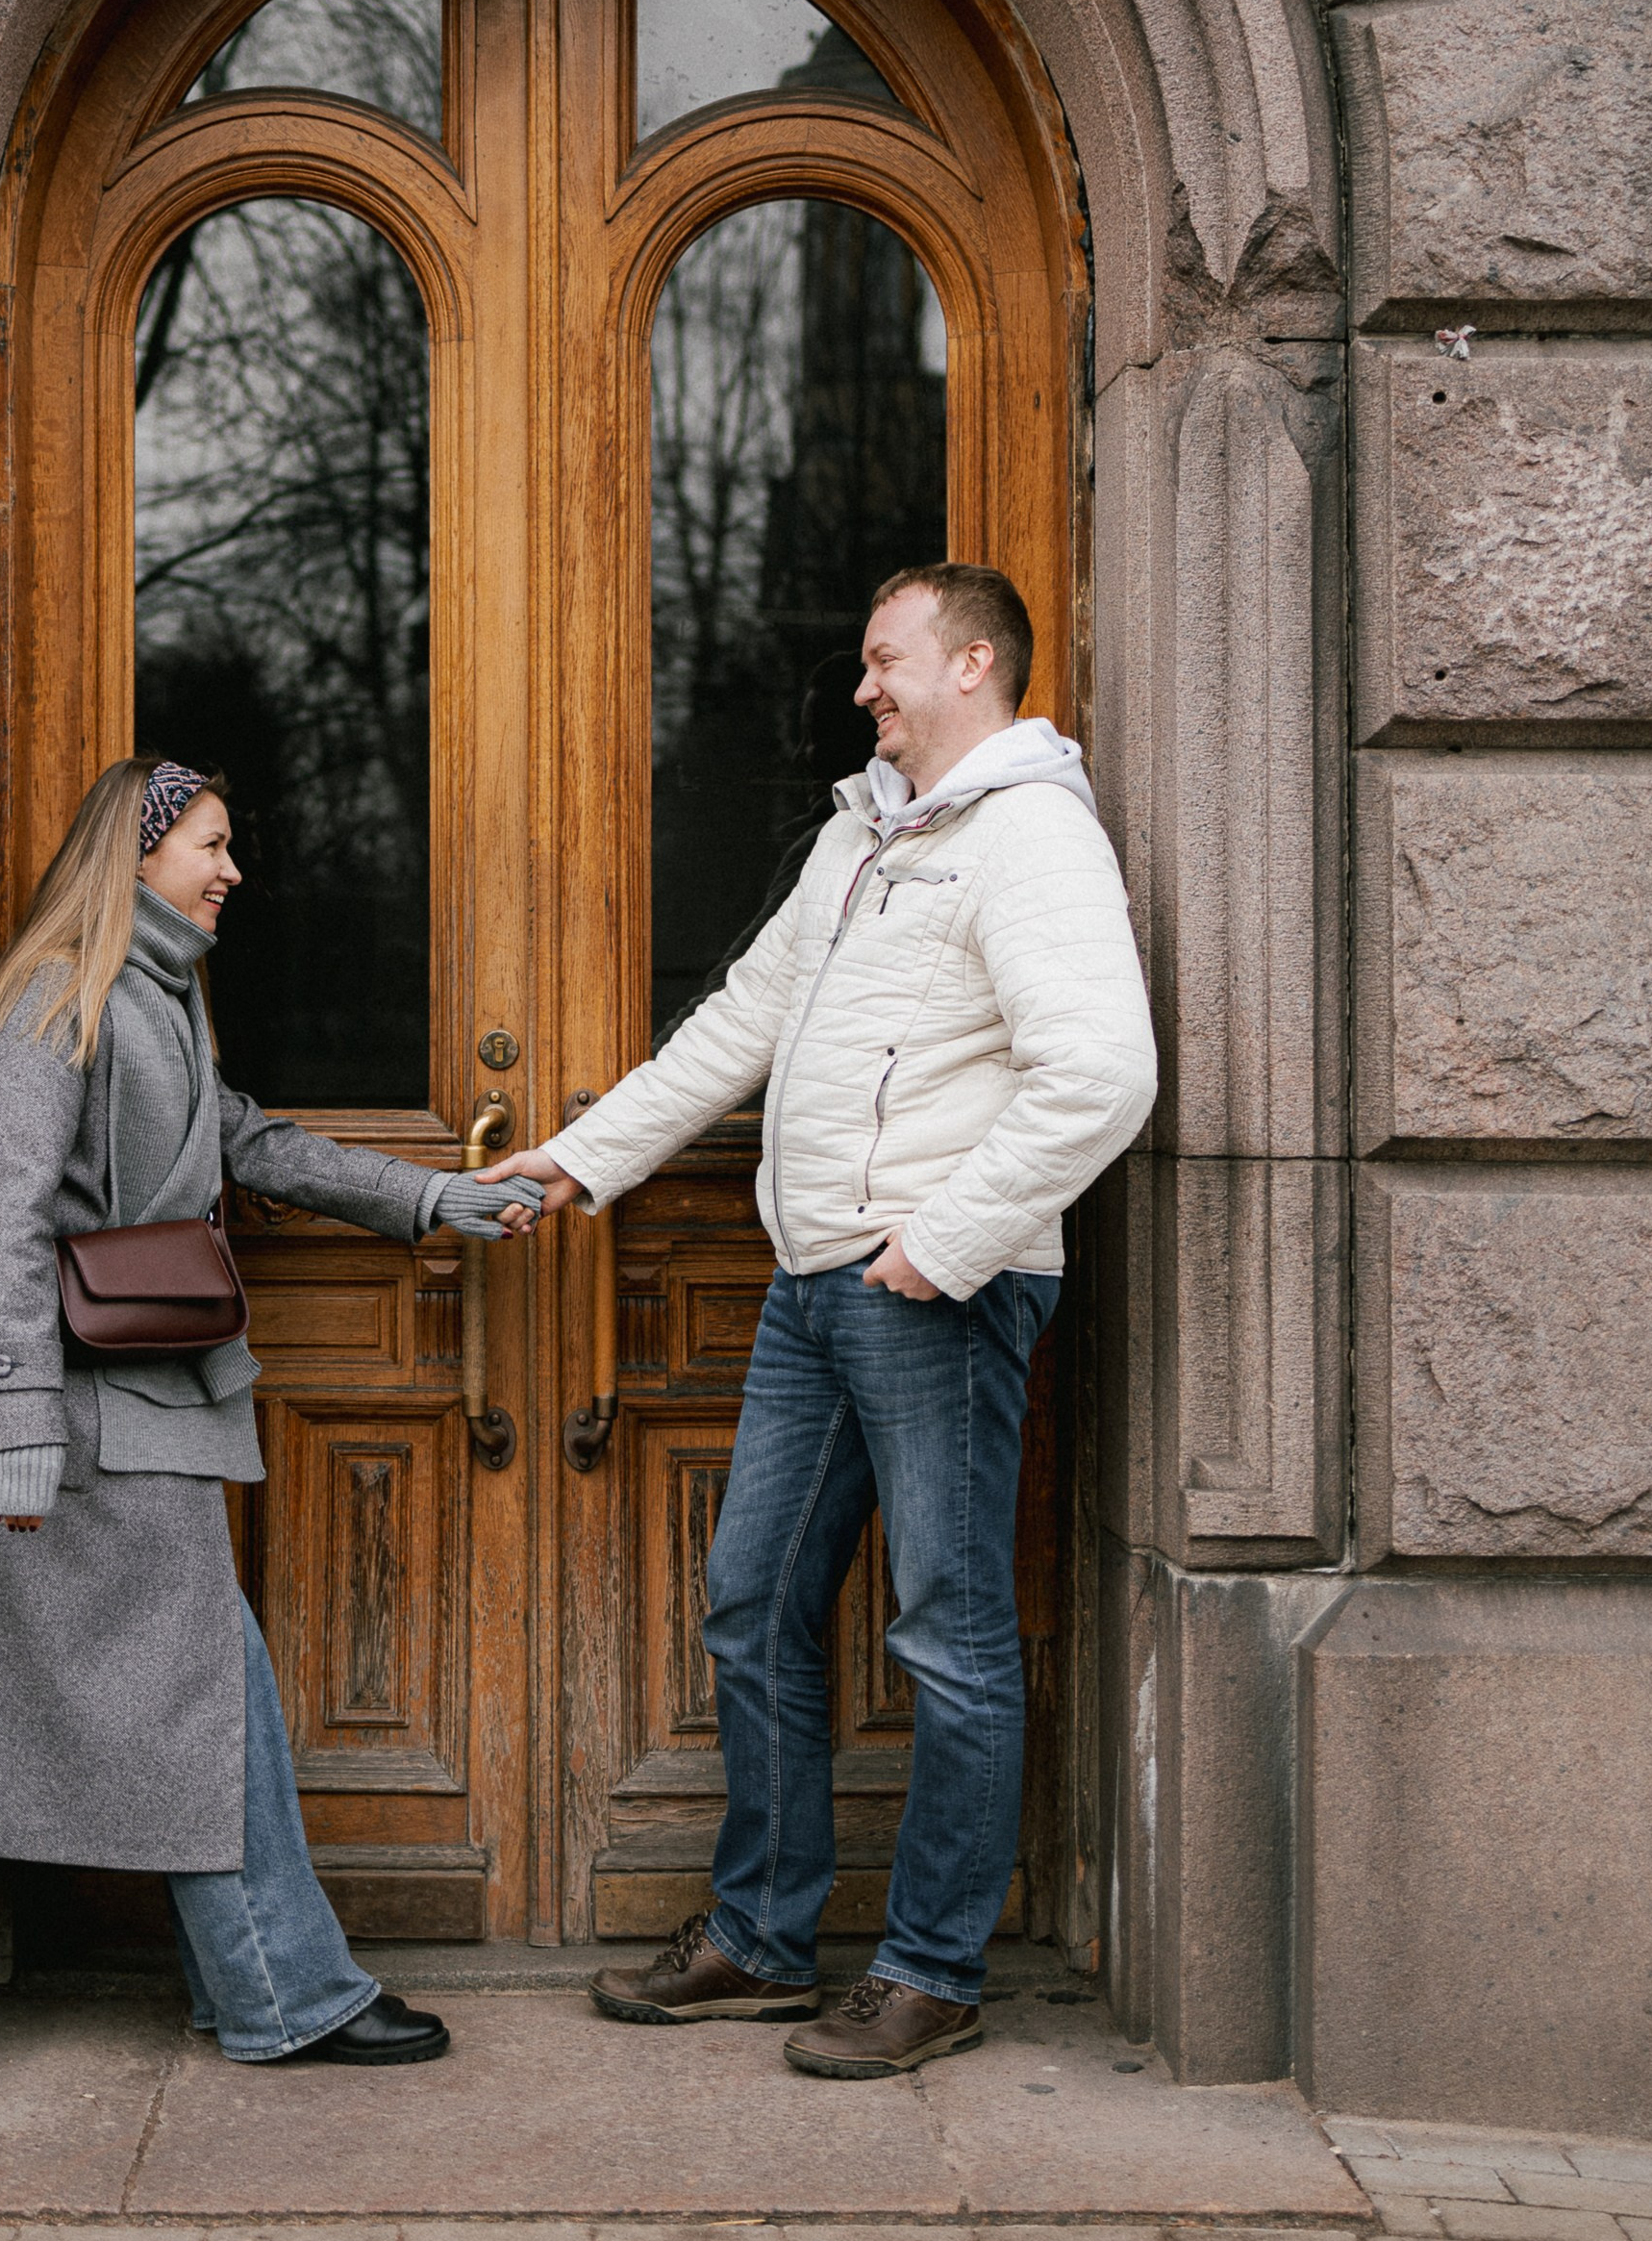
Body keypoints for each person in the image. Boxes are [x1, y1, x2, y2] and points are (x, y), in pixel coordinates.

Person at [487, 566, 1156, 2081]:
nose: (866, 687)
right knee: (753, 1597)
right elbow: (742, 1017)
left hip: (933, 1292)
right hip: (815, 1291)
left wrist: (946, 1243)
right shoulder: (867, 837)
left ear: (973, 663)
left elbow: (1104, 1072)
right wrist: (583, 1159)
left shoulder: (1033, 837)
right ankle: (760, 1940)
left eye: (887, 660)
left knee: (951, 1634)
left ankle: (931, 1972)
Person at [0, 753, 539, 2066]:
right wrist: (20, 1422)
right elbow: (7, 1215)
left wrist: (432, 1200)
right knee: (210, 1705)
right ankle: (284, 1995)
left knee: (209, 1703)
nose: (231, 869)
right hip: (92, 1428)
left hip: (149, 1411)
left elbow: (250, 1142)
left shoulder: (158, 998)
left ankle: (262, 1989)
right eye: (210, 843)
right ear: (136, 856)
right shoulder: (57, 1000)